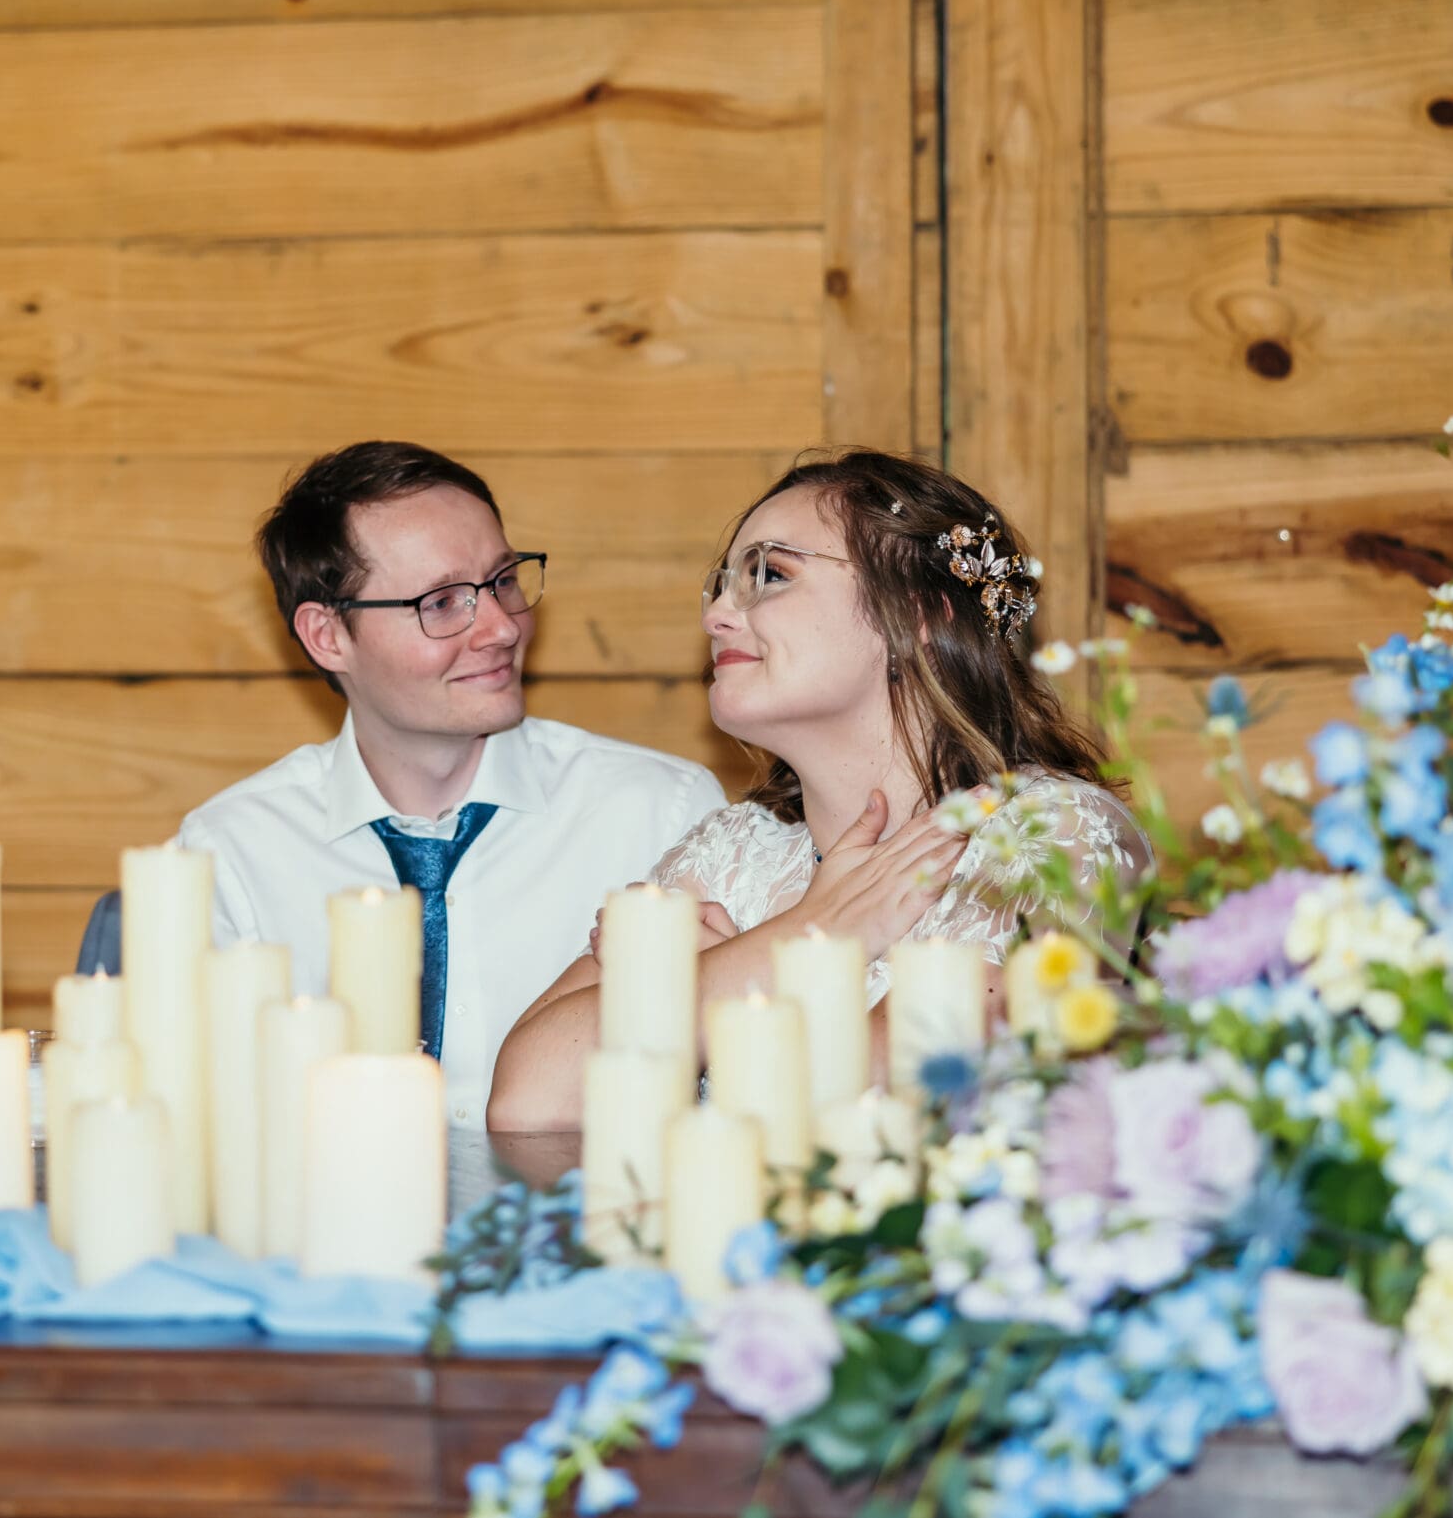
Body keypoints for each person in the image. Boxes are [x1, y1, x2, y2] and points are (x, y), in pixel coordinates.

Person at [485, 450, 1148, 1129]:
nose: (717, 615)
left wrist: (703, 980)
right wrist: (821, 927)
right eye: (721, 586)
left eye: (770, 574)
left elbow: (888, 1099)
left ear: (920, 610)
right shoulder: (734, 848)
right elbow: (527, 1102)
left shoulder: (1053, 830)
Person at [176, 441, 726, 1129]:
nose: (500, 627)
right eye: (441, 602)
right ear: (327, 635)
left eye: (503, 580)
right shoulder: (231, 855)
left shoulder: (658, 812)